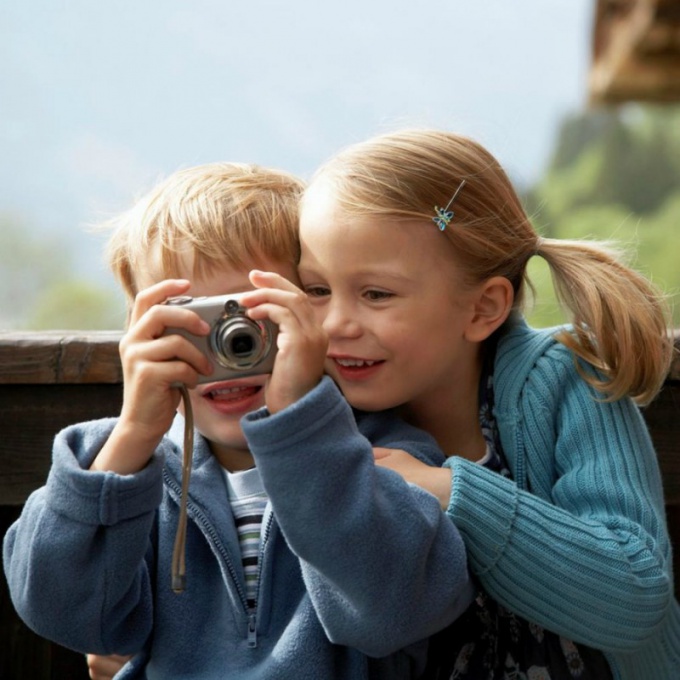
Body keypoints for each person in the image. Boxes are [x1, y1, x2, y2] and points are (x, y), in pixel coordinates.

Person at [3, 162, 474, 679]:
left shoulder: (384, 460)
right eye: (188, 321)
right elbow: (63, 615)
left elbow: (392, 615)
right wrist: (134, 431)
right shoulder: (117, 466)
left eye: (252, 318)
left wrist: (302, 425)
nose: (224, 349)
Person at [295, 128, 680, 679]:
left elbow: (633, 597)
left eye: (376, 294)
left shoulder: (566, 381)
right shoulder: (326, 417)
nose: (335, 324)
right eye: (316, 290)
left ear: (483, 308)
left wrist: (452, 490)